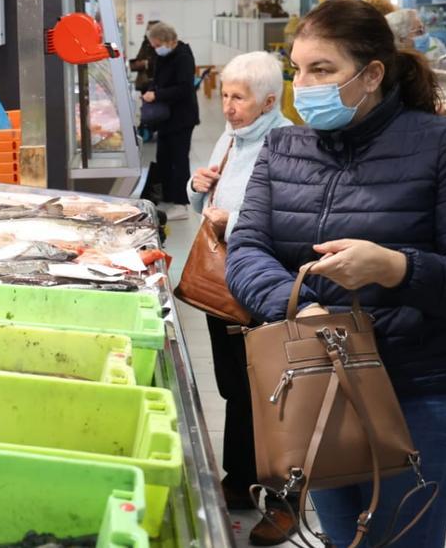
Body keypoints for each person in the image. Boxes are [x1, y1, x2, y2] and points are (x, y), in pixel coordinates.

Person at [226, 0, 446, 547]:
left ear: (372, 74)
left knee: (403, 539)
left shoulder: (445, 147)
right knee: (342, 536)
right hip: (319, 384)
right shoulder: (284, 147)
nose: (304, 85)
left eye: (322, 70)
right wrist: (302, 309)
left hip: (418, 391)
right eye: (297, 71)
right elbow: (246, 251)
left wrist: (396, 267)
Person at [188, 51, 294, 546]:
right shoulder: (231, 137)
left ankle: (285, 496)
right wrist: (197, 186)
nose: (227, 106)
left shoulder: (290, 142)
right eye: (226, 96)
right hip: (225, 283)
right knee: (234, 384)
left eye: (239, 98)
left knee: (274, 392)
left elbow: (296, 219)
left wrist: (236, 220)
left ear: (269, 100)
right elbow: (206, 200)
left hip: (267, 284)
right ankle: (239, 476)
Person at [141, 21, 199, 220]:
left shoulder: (183, 57)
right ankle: (167, 194)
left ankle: (182, 203)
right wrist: (151, 89)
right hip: (166, 117)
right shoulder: (165, 57)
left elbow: (184, 89)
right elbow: (159, 79)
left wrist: (157, 96)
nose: (157, 50)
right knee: (164, 157)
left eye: (158, 45)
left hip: (182, 118)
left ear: (168, 40)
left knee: (179, 160)